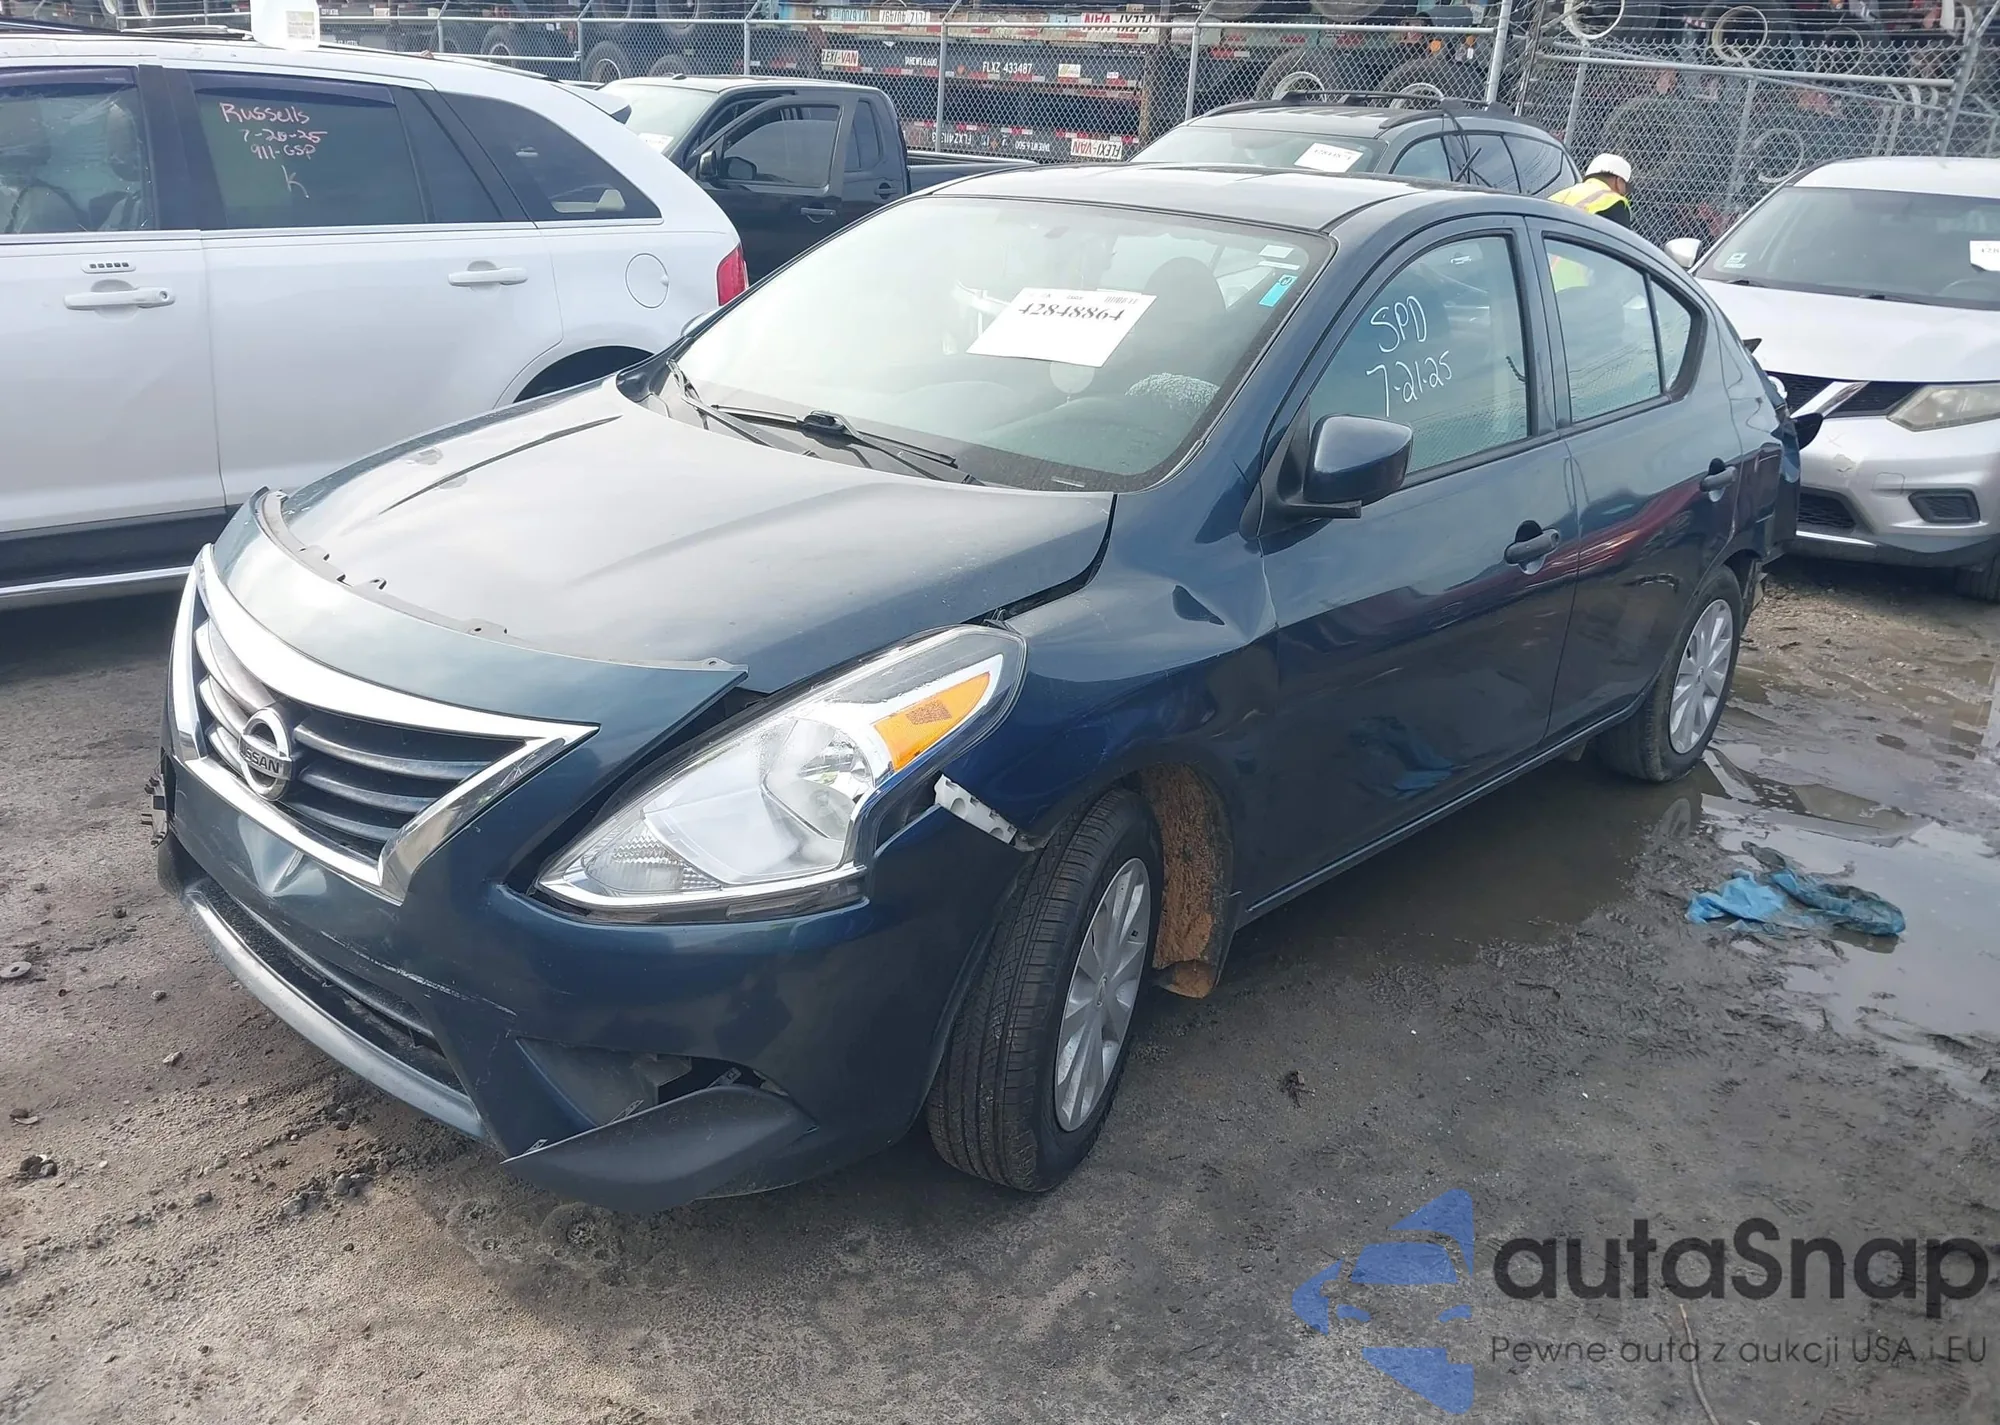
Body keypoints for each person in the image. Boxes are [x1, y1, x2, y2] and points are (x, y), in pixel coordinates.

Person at [1549, 154, 1634, 230]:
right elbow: (1622, 239)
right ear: (1619, 182)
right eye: (1625, 187)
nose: (1625, 193)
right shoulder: (1615, 201)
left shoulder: (1562, 194)